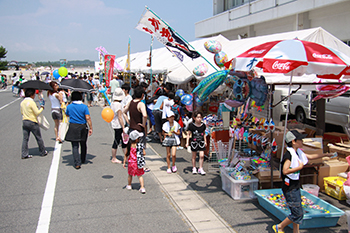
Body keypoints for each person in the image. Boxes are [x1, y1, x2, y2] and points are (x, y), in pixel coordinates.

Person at [274, 130, 334, 233]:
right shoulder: (289, 155)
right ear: (293, 141)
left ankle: (296, 231)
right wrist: (299, 167)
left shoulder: (298, 152)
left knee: (297, 209)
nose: (302, 141)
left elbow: (310, 157)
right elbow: (285, 170)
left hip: (295, 185)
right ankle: (279, 227)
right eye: (300, 139)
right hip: (290, 187)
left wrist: (325, 155)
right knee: (297, 213)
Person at [64, 92, 93, 169]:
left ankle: (77, 163)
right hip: (83, 126)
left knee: (75, 145)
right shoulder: (84, 107)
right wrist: (91, 127)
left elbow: (67, 114)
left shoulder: (69, 106)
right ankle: (83, 159)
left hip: (73, 126)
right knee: (83, 143)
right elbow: (87, 117)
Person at [20, 88, 47, 159]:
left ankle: (24, 154)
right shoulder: (31, 102)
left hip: (25, 121)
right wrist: (42, 108)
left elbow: (22, 112)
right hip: (32, 121)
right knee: (38, 137)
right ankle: (42, 152)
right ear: (32, 95)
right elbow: (37, 112)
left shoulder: (22, 102)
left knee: (25, 139)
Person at [186, 110, 207, 175]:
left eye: (200, 117)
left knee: (202, 155)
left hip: (201, 142)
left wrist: (205, 141)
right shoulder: (191, 126)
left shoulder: (203, 125)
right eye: (198, 117)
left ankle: (200, 168)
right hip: (194, 143)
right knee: (194, 156)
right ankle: (194, 168)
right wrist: (187, 142)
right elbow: (188, 134)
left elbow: (204, 134)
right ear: (194, 118)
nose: (199, 119)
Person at [110, 88, 127, 164]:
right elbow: (120, 116)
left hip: (114, 123)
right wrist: (123, 126)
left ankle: (123, 157)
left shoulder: (112, 103)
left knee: (118, 140)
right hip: (119, 125)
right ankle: (116, 157)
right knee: (122, 141)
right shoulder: (118, 105)